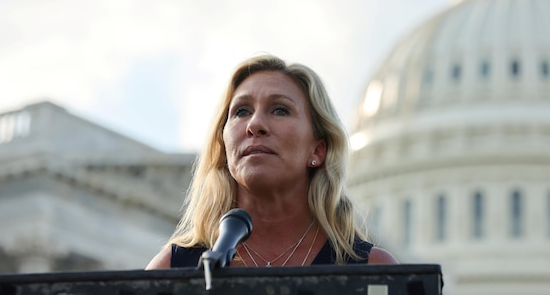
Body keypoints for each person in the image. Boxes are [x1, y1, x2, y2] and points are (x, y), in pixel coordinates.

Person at [147, 54, 397, 268]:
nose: (255, 124)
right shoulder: (173, 268)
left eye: (280, 110)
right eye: (241, 111)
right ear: (224, 148)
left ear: (318, 151)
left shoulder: (373, 270)